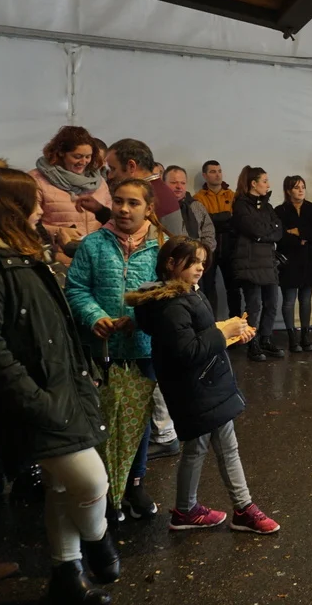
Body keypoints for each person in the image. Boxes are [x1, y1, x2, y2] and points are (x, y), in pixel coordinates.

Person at [0, 167, 120, 604]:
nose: (42, 208)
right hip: (37, 395)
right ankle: (98, 540)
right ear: (12, 208)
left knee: (62, 486)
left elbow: (54, 326)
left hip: (60, 384)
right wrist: (35, 399)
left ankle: (67, 574)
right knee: (90, 481)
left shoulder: (24, 253)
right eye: (35, 202)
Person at [126, 237, 280, 534]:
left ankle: (186, 510)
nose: (200, 267)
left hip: (202, 382)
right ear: (171, 263)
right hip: (197, 387)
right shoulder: (171, 304)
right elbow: (188, 351)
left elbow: (199, 337)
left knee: (197, 447)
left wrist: (232, 333)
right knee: (228, 447)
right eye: (193, 261)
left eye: (202, 262)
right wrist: (224, 332)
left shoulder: (185, 293)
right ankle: (244, 509)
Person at [66, 179, 167, 522]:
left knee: (138, 420)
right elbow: (76, 288)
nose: (124, 209)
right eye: (119, 201)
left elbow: (168, 292)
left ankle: (135, 483)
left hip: (143, 347)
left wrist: (137, 319)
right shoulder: (93, 244)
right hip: (101, 348)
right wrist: (94, 316)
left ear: (149, 208)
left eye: (133, 203)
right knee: (102, 418)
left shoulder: (162, 246)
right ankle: (106, 487)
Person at [28, 125, 112, 256]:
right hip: (59, 258)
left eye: (88, 156)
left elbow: (111, 220)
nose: (83, 162)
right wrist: (57, 232)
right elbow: (26, 222)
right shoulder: (36, 180)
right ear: (61, 153)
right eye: (77, 156)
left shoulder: (99, 182)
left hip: (96, 257)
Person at [76, 139, 183, 237]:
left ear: (131, 166)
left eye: (113, 169)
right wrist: (99, 209)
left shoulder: (151, 195)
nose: (110, 176)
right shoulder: (158, 190)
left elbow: (126, 235)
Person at [231, 166, 284, 362]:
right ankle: (251, 342)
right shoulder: (241, 206)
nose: (268, 185)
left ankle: (265, 339)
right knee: (253, 306)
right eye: (265, 181)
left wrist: (263, 236)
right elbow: (255, 230)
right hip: (250, 263)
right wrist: (265, 233)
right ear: (253, 184)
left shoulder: (267, 206)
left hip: (268, 262)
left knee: (272, 304)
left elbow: (278, 229)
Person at [274, 176, 312, 353]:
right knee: (289, 301)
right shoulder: (280, 210)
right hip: (289, 261)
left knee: (305, 300)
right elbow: (279, 236)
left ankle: (305, 336)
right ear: (288, 191)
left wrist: (298, 232)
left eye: (303, 187)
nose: (301, 190)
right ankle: (292, 337)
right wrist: (301, 239)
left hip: (309, 260)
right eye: (296, 187)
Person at [193, 160, 241, 319]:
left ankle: (236, 322)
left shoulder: (232, 196)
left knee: (233, 287)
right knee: (207, 288)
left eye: (219, 171)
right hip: (208, 249)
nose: (217, 175)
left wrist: (215, 219)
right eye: (213, 171)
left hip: (230, 247)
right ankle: (210, 322)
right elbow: (203, 224)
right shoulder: (198, 198)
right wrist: (225, 218)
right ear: (205, 175)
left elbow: (236, 221)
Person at [164, 166, 216, 254]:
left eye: (183, 183)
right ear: (164, 184)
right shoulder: (158, 208)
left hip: (197, 256)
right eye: (174, 182)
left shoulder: (197, 206)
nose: (179, 186)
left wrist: (203, 252)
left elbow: (208, 232)